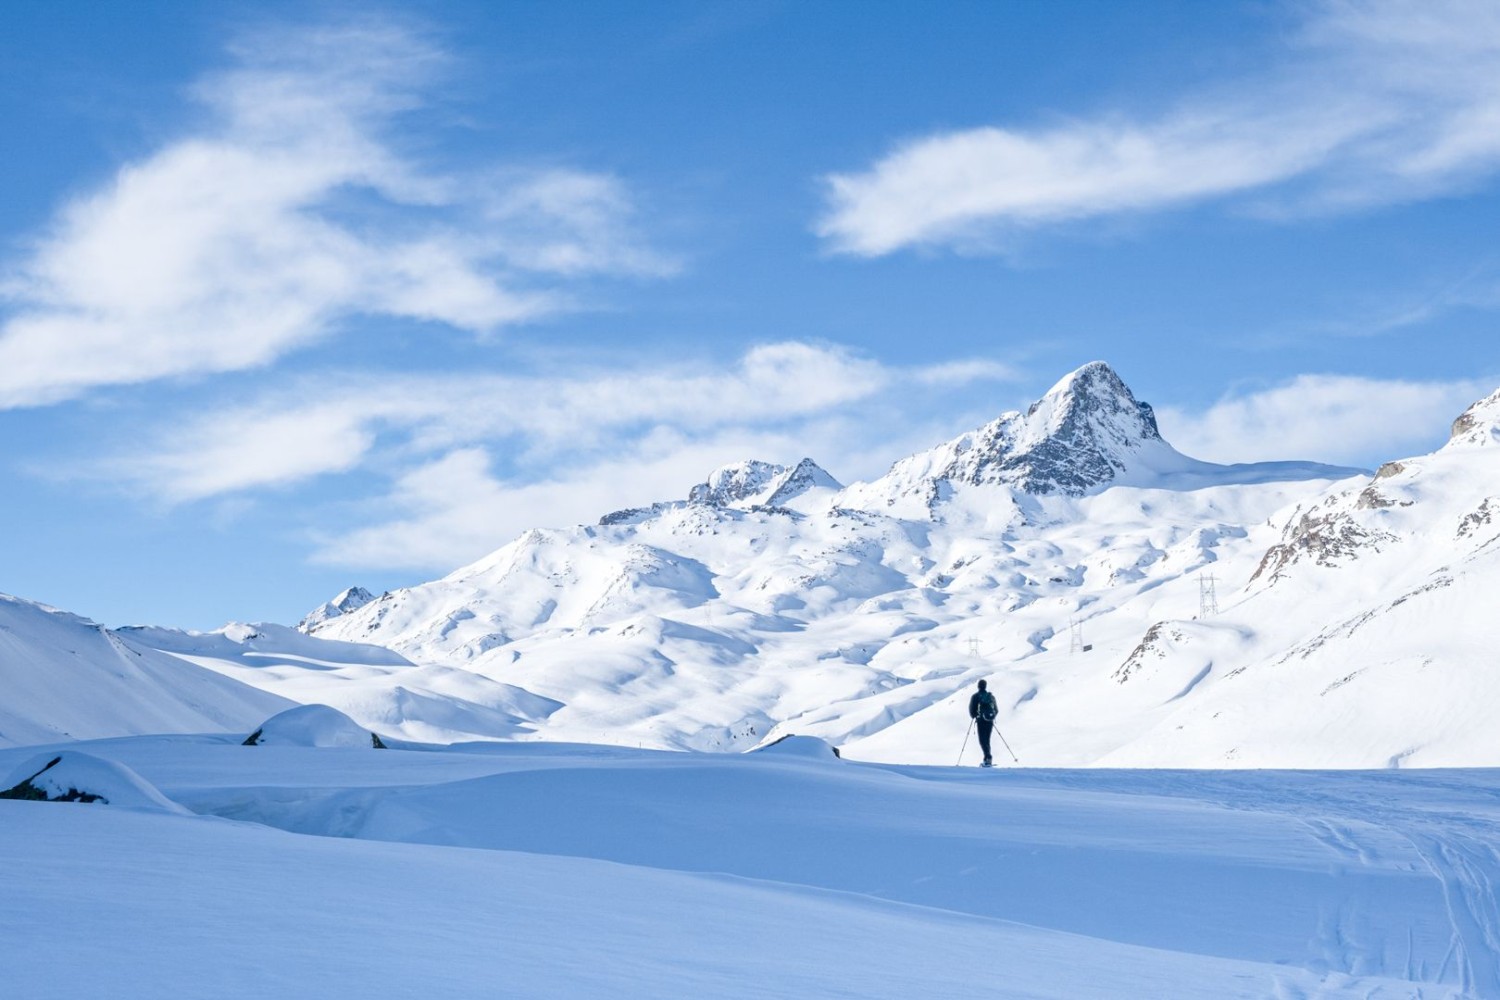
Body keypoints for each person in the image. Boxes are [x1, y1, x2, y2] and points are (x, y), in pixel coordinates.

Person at [968, 679, 998, 767]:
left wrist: (975, 716)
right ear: (985, 686)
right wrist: (991, 716)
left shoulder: (975, 696)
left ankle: (988, 758)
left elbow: (972, 710)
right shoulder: (991, 696)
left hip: (981, 721)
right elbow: (996, 710)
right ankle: (988, 759)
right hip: (989, 721)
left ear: (978, 686)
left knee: (982, 740)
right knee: (987, 740)